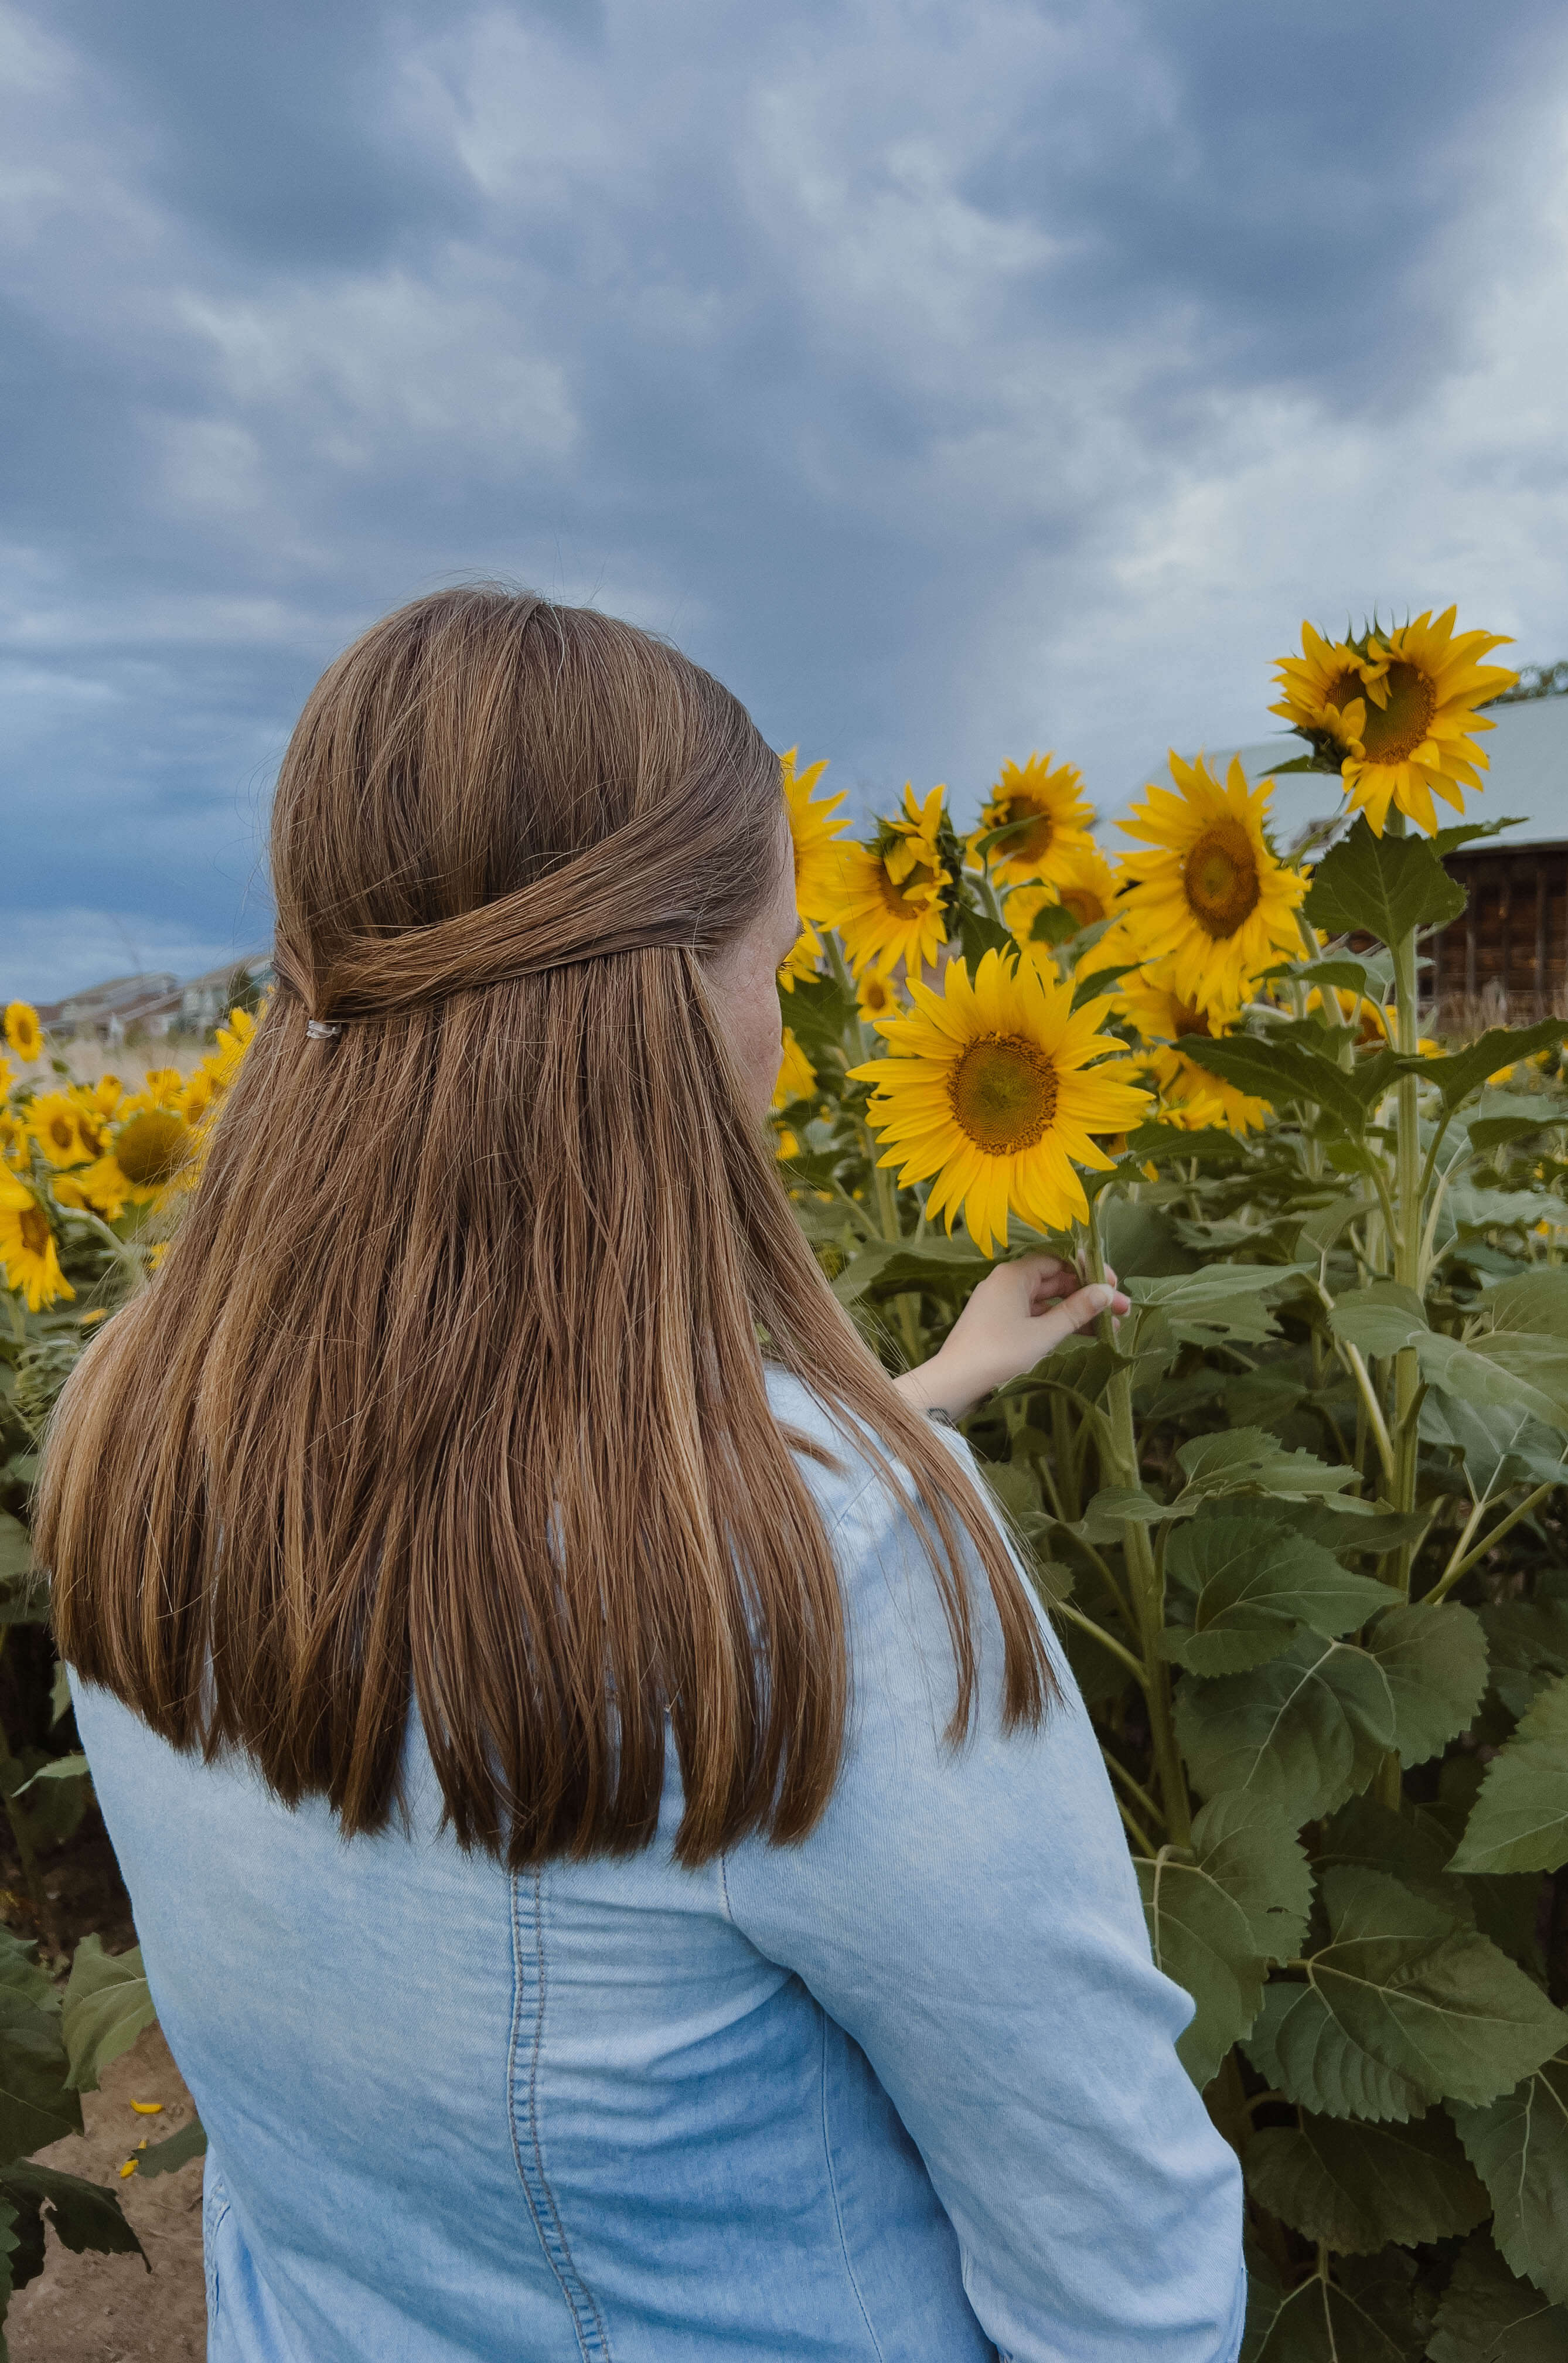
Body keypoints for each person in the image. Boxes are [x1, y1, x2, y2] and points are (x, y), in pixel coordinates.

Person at [40, 587, 1246, 2362]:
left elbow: (501, 1532)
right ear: (669, 1009)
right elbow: (1120, 2270)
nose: (784, 1035)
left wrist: (925, 1395)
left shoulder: (138, 1423)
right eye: (771, 971)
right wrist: (880, 1482)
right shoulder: (841, 1569)